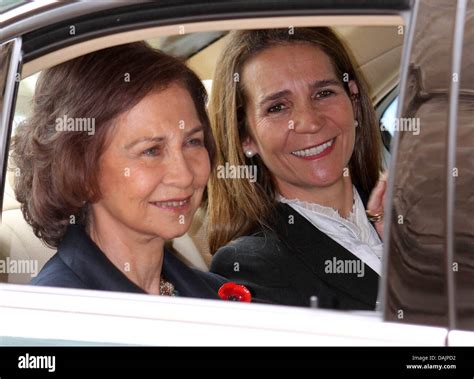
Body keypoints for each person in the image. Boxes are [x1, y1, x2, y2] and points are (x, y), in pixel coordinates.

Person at [11, 42, 227, 299]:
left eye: (192, 142)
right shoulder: (57, 317)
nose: (185, 176)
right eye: (151, 151)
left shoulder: (215, 296)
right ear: (81, 170)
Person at [208, 28, 387, 309]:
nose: (309, 122)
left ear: (353, 99)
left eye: (323, 93)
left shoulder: (410, 214)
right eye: (277, 107)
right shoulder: (249, 265)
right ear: (246, 137)